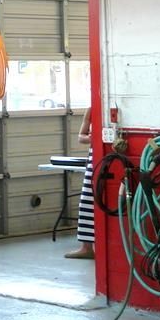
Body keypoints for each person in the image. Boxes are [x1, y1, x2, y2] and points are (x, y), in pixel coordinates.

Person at [64, 108, 95, 259]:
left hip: (111, 155)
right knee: (86, 201)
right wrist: (90, 138)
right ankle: (86, 247)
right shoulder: (91, 111)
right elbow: (80, 137)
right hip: (94, 157)